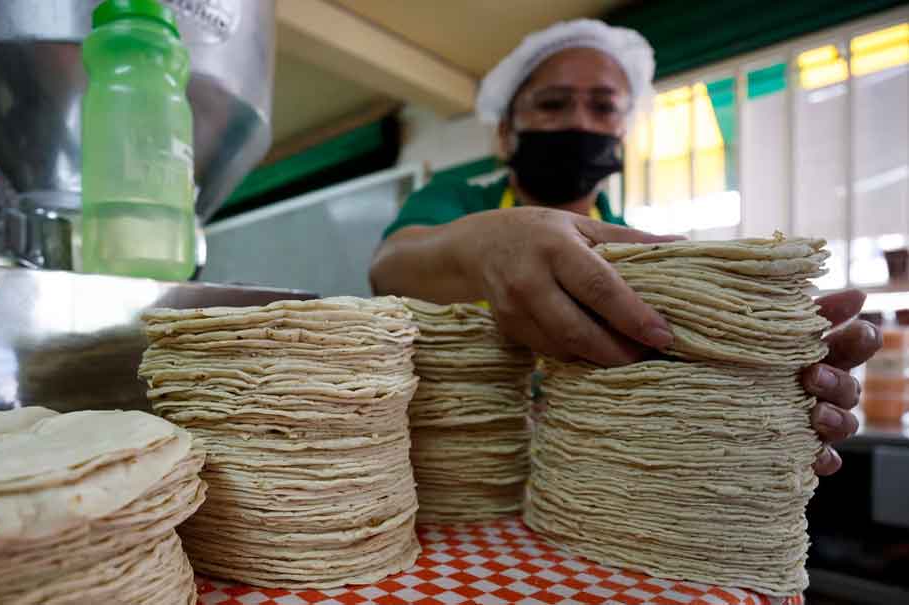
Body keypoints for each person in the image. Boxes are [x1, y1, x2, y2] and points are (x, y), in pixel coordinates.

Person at [368, 19, 878, 476]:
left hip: (582, 479)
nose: (580, 123)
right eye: (553, 103)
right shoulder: (457, 201)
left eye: (603, 107)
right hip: (443, 476)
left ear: (621, 132)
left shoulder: (639, 253)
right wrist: (489, 247)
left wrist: (760, 384)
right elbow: (391, 268)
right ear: (505, 133)